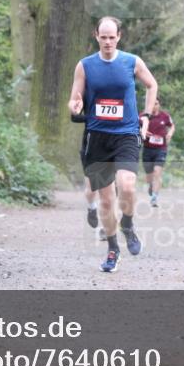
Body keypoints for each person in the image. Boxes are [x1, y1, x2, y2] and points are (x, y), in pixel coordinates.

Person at [68, 16, 158, 273]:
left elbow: (152, 85)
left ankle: (127, 224)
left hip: (126, 133)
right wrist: (74, 106)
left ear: (119, 37)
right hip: (96, 137)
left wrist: (146, 116)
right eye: (103, 37)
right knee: (106, 202)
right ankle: (112, 249)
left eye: (112, 37)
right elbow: (75, 99)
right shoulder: (85, 66)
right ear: (96, 36)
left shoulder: (132, 62)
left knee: (127, 185)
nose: (107, 41)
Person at [141, 98, 174, 207]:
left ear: (159, 105)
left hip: (161, 149)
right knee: (149, 175)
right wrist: (143, 131)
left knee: (157, 172)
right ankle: (151, 186)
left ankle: (154, 198)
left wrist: (170, 134)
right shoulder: (143, 116)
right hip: (147, 149)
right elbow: (134, 127)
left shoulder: (165, 116)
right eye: (152, 103)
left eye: (156, 103)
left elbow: (172, 126)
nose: (154, 105)